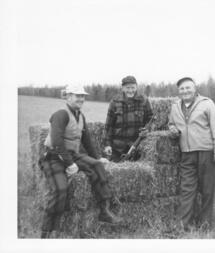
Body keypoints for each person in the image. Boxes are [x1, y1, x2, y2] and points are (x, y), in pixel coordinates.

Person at [40, 85, 122, 238]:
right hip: (54, 156)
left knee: (97, 166)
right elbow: (57, 141)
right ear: (68, 97)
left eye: (82, 96)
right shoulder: (61, 114)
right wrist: (70, 164)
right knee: (60, 189)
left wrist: (98, 158)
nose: (81, 99)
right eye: (77, 95)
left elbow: (87, 141)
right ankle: (46, 232)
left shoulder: (80, 116)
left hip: (73, 154)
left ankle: (104, 210)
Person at [168, 77, 215, 230]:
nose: (185, 91)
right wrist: (172, 129)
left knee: (207, 189)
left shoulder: (207, 103)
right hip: (186, 153)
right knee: (187, 189)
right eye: (182, 89)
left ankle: (205, 224)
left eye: (188, 88)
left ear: (195, 89)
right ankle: (182, 224)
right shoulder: (175, 106)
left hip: (206, 151)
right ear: (179, 91)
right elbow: (171, 123)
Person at [103, 76, 153, 162]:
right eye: (127, 88)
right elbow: (108, 126)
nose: (130, 90)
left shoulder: (144, 100)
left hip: (137, 147)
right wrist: (107, 145)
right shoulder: (115, 102)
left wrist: (147, 130)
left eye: (132, 87)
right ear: (122, 88)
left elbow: (151, 119)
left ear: (136, 87)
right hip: (117, 148)